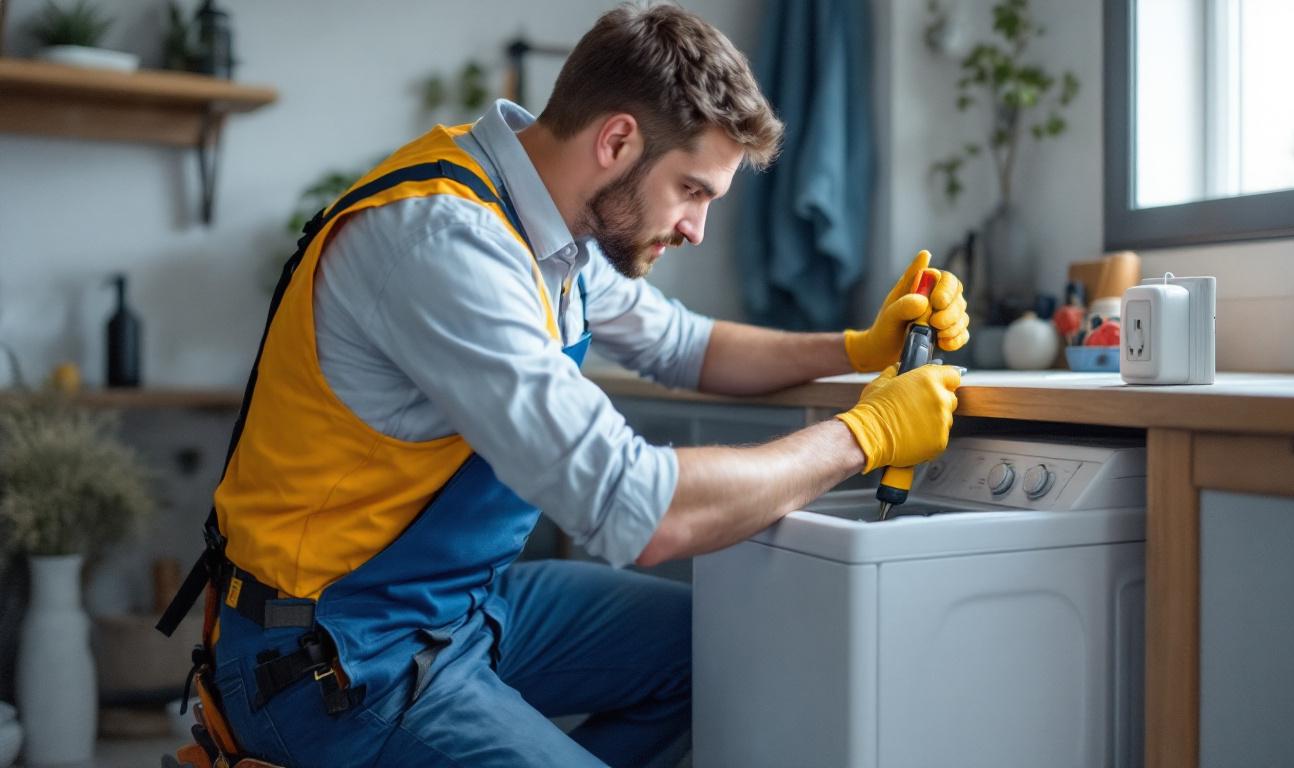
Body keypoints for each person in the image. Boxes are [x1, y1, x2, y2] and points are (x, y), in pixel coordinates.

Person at [173, 4, 968, 767]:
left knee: (725, 647)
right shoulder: (446, 244)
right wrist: (863, 435)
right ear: (618, 140)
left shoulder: (558, 225)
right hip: (330, 656)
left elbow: (687, 346)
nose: (696, 228)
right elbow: (640, 507)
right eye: (692, 190)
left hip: (457, 611)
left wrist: (859, 346)